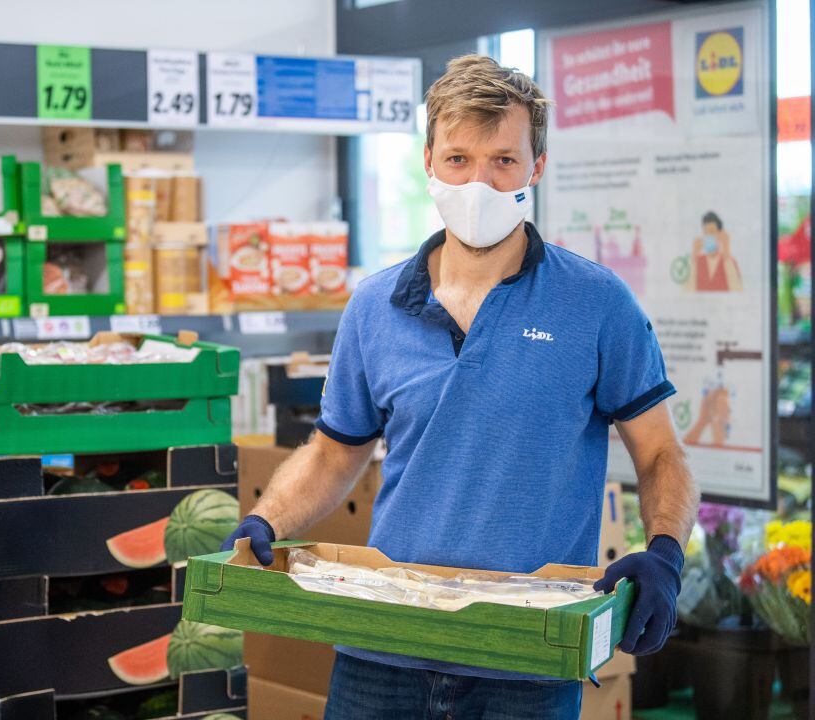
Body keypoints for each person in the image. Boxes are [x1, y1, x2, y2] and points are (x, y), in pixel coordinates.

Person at [221, 55, 700, 720]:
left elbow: (660, 454)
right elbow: (336, 452)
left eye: (504, 160)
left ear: (537, 165)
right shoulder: (374, 306)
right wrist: (267, 518)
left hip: (527, 656)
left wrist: (666, 553)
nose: (479, 181)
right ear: (428, 161)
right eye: (458, 160)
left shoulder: (596, 303)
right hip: (382, 649)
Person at [691, 211, 742, 292]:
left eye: (711, 232)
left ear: (719, 234)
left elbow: (738, 290)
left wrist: (726, 250)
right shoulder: (698, 261)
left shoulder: (729, 261)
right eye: (705, 232)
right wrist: (693, 255)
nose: (708, 236)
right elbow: (687, 292)